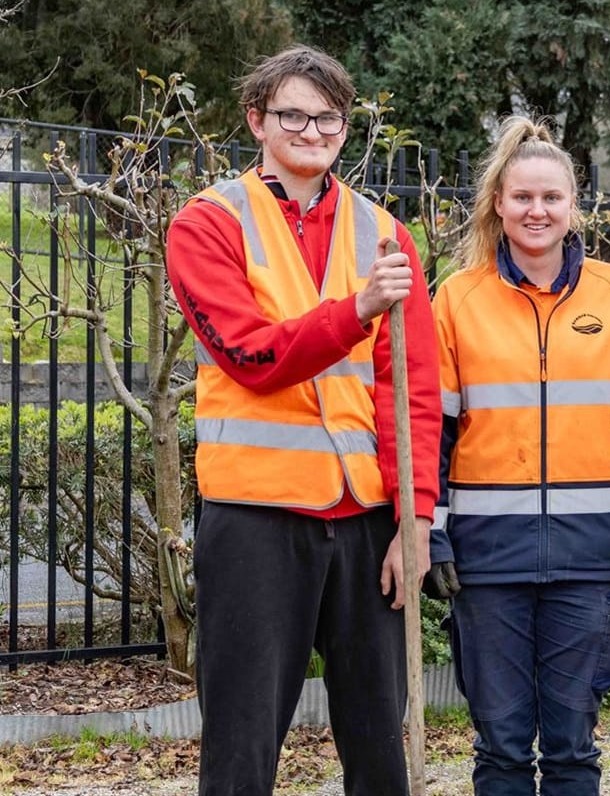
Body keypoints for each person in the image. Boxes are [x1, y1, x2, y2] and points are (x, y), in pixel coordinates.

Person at [165, 45, 440, 796]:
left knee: (382, 746)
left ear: (346, 129)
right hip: (255, 519)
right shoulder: (207, 223)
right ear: (257, 120)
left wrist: (414, 522)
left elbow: (409, 388)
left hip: (365, 523)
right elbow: (251, 354)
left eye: (328, 117)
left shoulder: (384, 232)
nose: (311, 130)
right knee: (242, 746)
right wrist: (355, 311)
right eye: (292, 113)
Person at [425, 117, 610, 795]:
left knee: (570, 744)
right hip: (485, 558)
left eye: (551, 198)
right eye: (523, 197)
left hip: (590, 559)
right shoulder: (457, 297)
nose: (537, 210)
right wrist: (432, 533)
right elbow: (433, 430)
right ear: (498, 205)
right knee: (500, 744)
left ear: (573, 206)